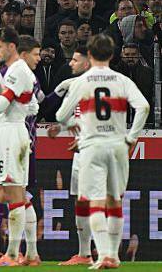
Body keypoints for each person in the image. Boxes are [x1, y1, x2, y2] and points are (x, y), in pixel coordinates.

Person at [54, 34, 150, 270]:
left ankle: (104, 255)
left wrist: (72, 126)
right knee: (115, 202)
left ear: (90, 53)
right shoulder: (122, 80)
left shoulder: (83, 82)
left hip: (92, 146)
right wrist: (131, 138)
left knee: (95, 203)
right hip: (118, 145)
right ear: (112, 54)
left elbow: (60, 115)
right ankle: (114, 257)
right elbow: (144, 106)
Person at [0, 30, 42, 267]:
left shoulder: (16, 71)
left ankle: (10, 254)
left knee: (14, 194)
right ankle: (31, 254)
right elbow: (34, 107)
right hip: (16, 132)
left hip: (10, 134)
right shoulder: (20, 71)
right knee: (20, 195)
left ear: (11, 46)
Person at [46, 47, 96, 266]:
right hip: (81, 150)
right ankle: (84, 253)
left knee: (98, 200)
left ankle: (102, 252)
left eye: (76, 60)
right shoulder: (77, 85)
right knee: (82, 201)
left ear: (87, 62)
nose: (70, 64)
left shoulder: (90, 85)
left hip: (92, 151)